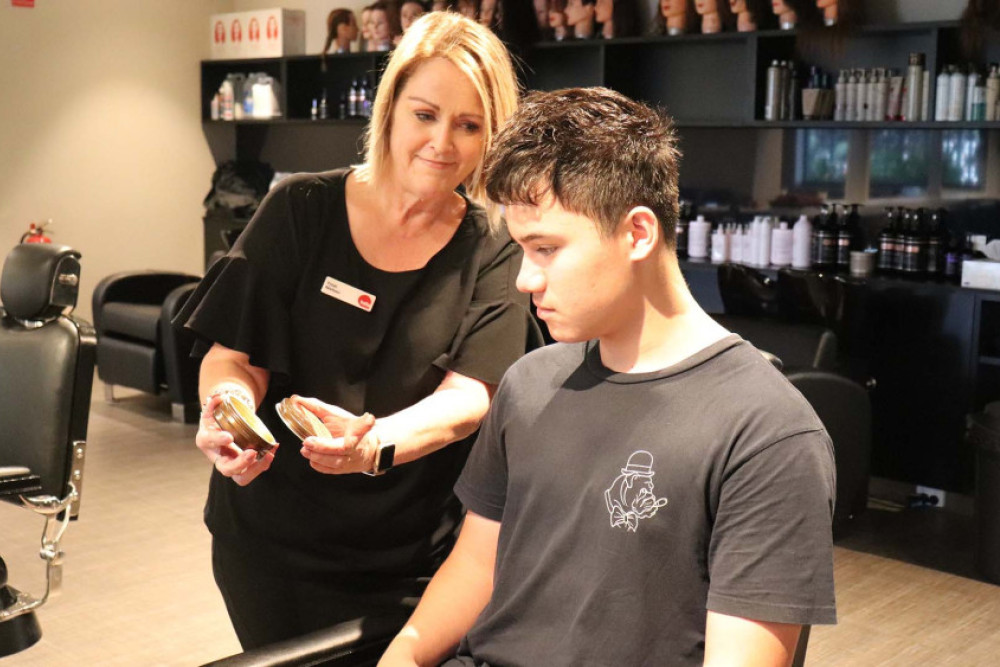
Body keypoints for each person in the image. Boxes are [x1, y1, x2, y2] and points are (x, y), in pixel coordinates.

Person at [378, 87, 837, 666]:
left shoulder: (768, 434)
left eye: (546, 249)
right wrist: (403, 656)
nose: (525, 280)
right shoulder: (528, 384)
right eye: (521, 249)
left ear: (637, 234)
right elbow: (475, 566)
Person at [177, 11, 536, 651]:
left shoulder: (494, 247)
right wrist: (227, 411)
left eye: (469, 125)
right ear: (391, 109)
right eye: (426, 114)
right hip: (272, 546)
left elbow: (471, 396)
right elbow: (234, 354)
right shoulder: (299, 210)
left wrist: (373, 445)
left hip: (410, 559)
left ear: (492, 137)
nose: (443, 143)